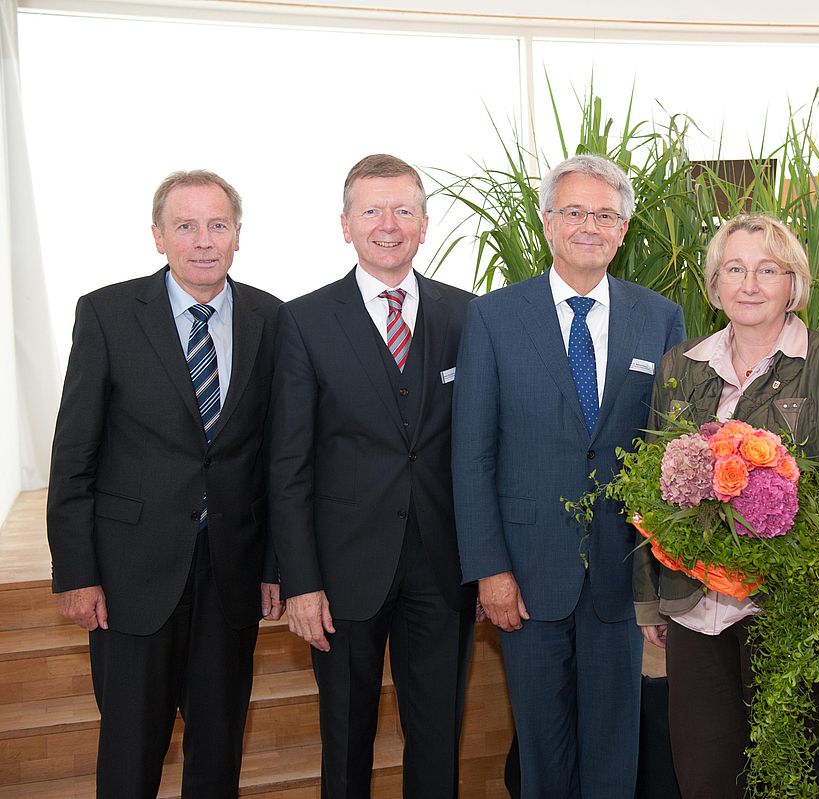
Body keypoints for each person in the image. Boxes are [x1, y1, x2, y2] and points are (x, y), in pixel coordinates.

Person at [452, 154, 686, 798]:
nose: (591, 226)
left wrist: (660, 581)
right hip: (525, 577)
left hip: (619, 577)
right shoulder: (496, 317)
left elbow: (672, 456)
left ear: (624, 228)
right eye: (576, 212)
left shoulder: (659, 318)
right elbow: (472, 454)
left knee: (615, 751)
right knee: (543, 752)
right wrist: (490, 571)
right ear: (548, 221)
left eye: (605, 215)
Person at [46, 170, 282, 797]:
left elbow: (277, 458)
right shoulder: (107, 314)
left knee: (218, 752)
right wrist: (75, 571)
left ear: (237, 236)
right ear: (158, 237)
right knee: (130, 753)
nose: (203, 241)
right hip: (130, 576)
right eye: (185, 226)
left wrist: (276, 564)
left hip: (231, 574)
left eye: (217, 225)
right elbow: (73, 453)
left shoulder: (272, 318)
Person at [632, 214, 819, 796]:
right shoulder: (680, 366)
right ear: (714, 286)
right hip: (696, 605)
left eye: (768, 269)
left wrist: (756, 556)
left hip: (792, 601)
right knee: (704, 773)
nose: (750, 284)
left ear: (794, 283)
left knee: (784, 773)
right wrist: (651, 599)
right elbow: (652, 488)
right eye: (734, 269)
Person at [268, 154, 476, 798]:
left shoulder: (467, 316)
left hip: (443, 570)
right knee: (347, 741)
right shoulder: (302, 321)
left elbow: (479, 449)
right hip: (342, 574)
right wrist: (300, 581)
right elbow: (289, 463)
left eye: (403, 211)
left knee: (438, 737)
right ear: (345, 224)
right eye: (371, 211)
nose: (388, 225)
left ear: (424, 223)